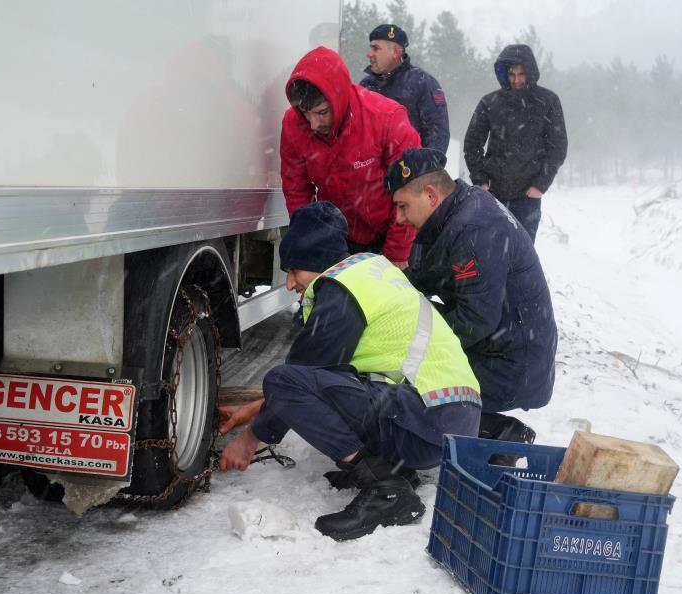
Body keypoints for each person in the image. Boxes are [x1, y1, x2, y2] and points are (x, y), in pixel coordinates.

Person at [217, 201, 481, 541]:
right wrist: (254, 411)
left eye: (294, 270)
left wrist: (251, 437)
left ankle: (386, 488)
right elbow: (326, 376)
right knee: (339, 381)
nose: (290, 283)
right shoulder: (369, 271)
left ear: (315, 262)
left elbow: (296, 381)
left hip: (428, 419)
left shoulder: (342, 292)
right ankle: (395, 470)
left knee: (282, 380)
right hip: (449, 418)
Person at [385, 148, 557, 442]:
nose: (399, 219)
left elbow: (474, 320)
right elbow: (431, 273)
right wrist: (384, 287)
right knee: (405, 326)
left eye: (403, 206)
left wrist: (409, 353)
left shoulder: (475, 229)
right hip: (505, 349)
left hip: (512, 367)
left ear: (430, 195)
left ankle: (496, 433)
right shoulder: (461, 209)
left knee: (402, 383)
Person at [280, 46, 421, 268]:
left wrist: (396, 254)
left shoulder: (386, 118)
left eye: (321, 112)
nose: (313, 124)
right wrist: (309, 248)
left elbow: (411, 190)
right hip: (337, 238)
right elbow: (297, 192)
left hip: (389, 235)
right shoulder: (293, 125)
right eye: (306, 115)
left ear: (338, 98)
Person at [463, 44, 568, 243]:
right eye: (511, 74)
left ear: (531, 72)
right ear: (504, 74)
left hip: (528, 197)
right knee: (490, 252)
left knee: (523, 257)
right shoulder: (490, 102)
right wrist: (481, 182)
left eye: (521, 74)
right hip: (493, 194)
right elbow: (472, 144)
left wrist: (540, 185)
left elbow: (558, 147)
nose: (517, 80)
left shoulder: (548, 101)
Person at [360, 24, 450, 154]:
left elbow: (437, 133)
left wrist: (425, 169)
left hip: (409, 171)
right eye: (370, 48)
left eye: (376, 48)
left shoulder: (422, 83)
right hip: (370, 172)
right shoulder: (365, 86)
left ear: (395, 52)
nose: (369, 54)